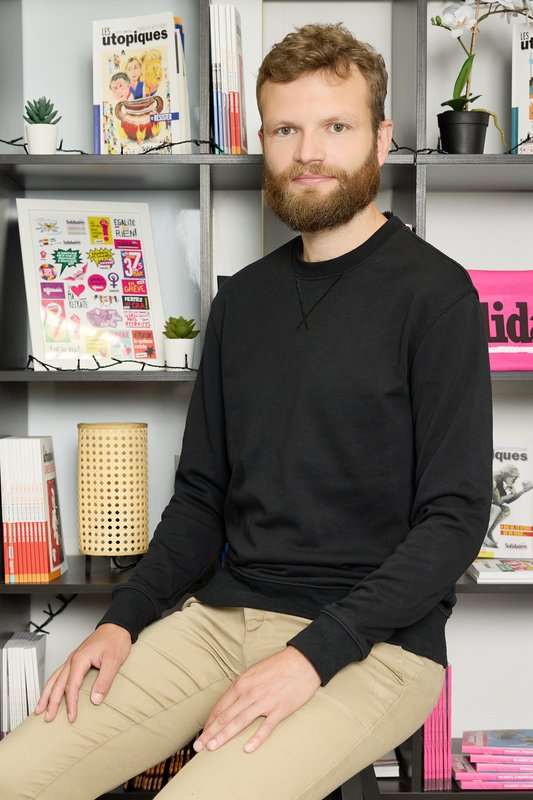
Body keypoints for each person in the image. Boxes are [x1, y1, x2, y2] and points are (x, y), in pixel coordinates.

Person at [0, 22, 493, 800]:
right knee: (15, 775)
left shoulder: (434, 296)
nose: (308, 152)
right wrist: (121, 620)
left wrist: (313, 654)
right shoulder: (243, 300)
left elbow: (455, 517)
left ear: (380, 136)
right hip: (219, 621)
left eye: (335, 127)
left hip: (379, 645)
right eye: (285, 129)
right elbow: (200, 498)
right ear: (260, 136)